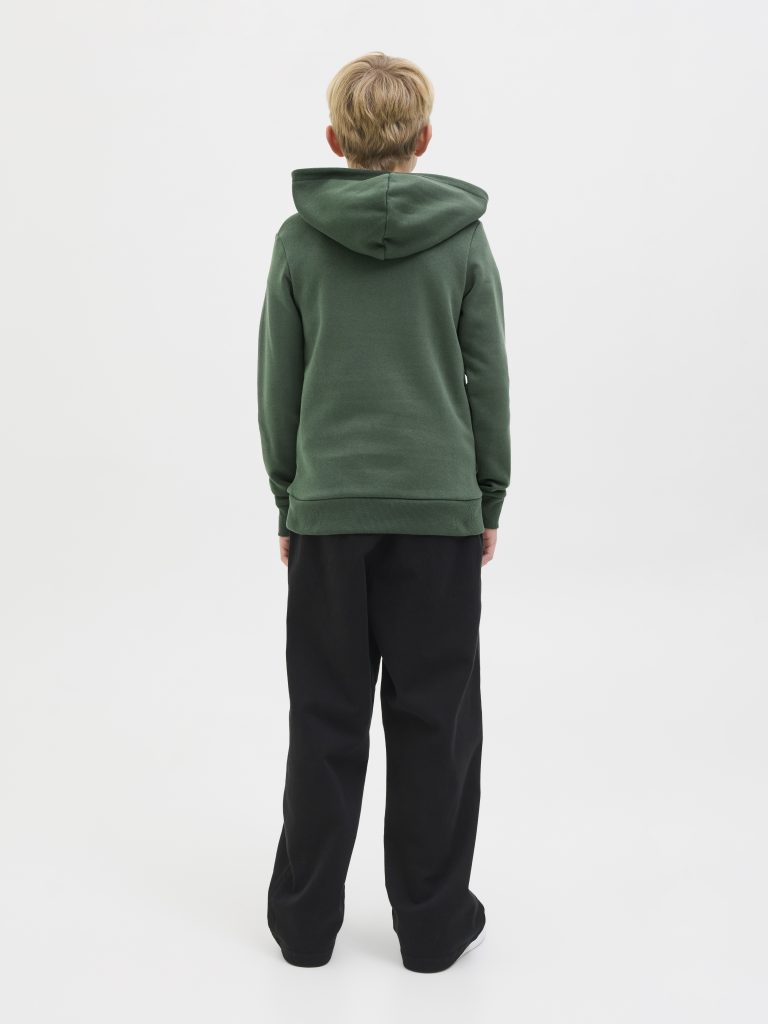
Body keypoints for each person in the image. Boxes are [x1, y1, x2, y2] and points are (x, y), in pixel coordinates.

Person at [257, 51, 510, 973]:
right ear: (425, 139)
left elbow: (278, 382)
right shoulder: (464, 241)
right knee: (435, 725)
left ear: (334, 140)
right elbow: (488, 379)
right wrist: (488, 493)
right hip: (439, 517)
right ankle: (433, 930)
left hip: (329, 516)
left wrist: (290, 497)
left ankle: (304, 928)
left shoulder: (299, 241)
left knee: (325, 722)